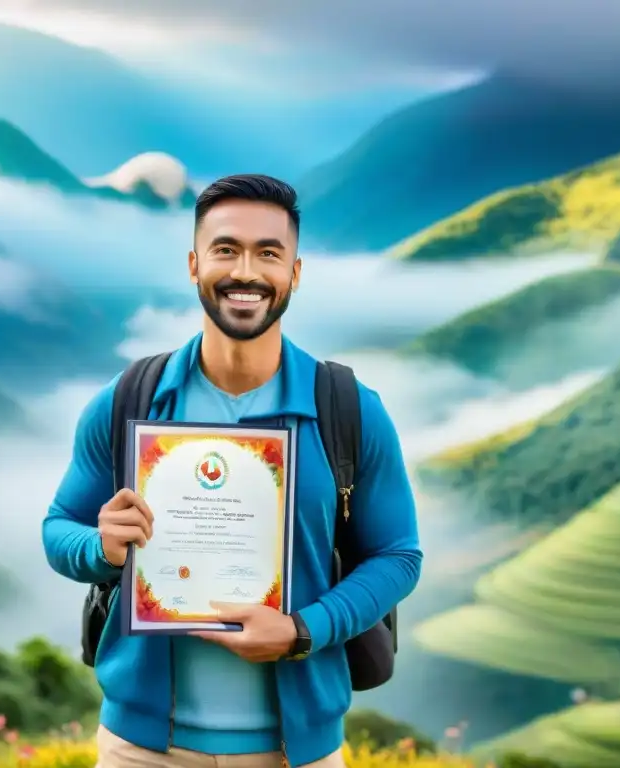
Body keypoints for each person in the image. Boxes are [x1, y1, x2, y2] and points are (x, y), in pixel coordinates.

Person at [43, 174, 423, 768]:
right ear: (194, 265)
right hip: (141, 750)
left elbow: (399, 556)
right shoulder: (130, 401)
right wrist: (101, 547)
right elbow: (58, 527)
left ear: (294, 273)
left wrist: (303, 630)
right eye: (226, 249)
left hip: (296, 751)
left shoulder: (347, 410)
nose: (246, 270)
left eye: (269, 253)